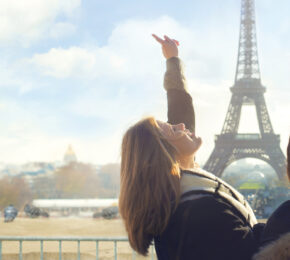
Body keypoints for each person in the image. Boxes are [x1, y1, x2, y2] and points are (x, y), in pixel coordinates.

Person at [119, 34, 262, 260]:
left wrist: (173, 60)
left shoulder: (180, 197)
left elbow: (181, 111)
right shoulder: (200, 211)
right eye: (174, 130)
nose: (183, 125)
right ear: (166, 155)